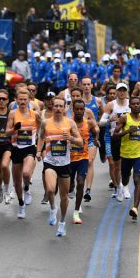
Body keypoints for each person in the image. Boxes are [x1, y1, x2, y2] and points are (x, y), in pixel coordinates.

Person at [36, 97, 83, 237]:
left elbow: (80, 142)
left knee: (64, 197)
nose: (57, 108)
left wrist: (71, 138)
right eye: (55, 105)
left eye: (60, 106)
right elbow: (40, 137)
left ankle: (62, 222)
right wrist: (39, 151)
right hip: (50, 161)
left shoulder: (70, 123)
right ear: (52, 106)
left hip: (65, 163)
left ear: (64, 108)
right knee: (50, 190)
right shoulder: (45, 122)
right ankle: (52, 208)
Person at [5, 88, 42, 219]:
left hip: (29, 147)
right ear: (16, 100)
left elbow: (41, 129)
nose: (22, 101)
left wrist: (39, 147)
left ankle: (27, 188)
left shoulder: (35, 114)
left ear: (29, 100)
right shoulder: (13, 114)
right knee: (16, 182)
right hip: (16, 148)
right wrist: (15, 128)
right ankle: (21, 204)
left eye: (25, 99)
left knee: (26, 173)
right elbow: (7, 132)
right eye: (20, 99)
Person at [114, 97, 140, 220]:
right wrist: (127, 131)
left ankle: (135, 208)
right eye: (133, 104)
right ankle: (123, 186)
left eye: (137, 104)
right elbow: (115, 135)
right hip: (126, 155)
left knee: (137, 178)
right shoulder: (124, 118)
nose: (135, 106)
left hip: (139, 155)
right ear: (130, 106)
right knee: (125, 178)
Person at [99, 83, 130, 199]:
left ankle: (123, 186)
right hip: (110, 137)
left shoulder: (130, 104)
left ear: (126, 92)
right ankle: (117, 187)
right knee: (113, 164)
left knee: (124, 164)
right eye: (119, 90)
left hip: (126, 137)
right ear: (116, 92)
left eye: (124, 90)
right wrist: (109, 120)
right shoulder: (110, 105)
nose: (122, 93)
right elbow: (101, 122)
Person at [81, 77, 102, 201]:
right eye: (84, 84)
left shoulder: (98, 101)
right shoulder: (78, 102)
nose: (86, 86)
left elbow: (103, 116)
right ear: (81, 85)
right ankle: (77, 185)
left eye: (88, 84)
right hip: (79, 137)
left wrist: (96, 125)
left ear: (92, 85)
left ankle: (88, 189)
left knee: (89, 161)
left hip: (92, 136)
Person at [0, 89, 14, 205]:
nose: (1, 101)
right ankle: (0, 188)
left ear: (7, 101)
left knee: (5, 166)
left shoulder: (11, 114)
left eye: (3, 99)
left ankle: (6, 190)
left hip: (7, 145)